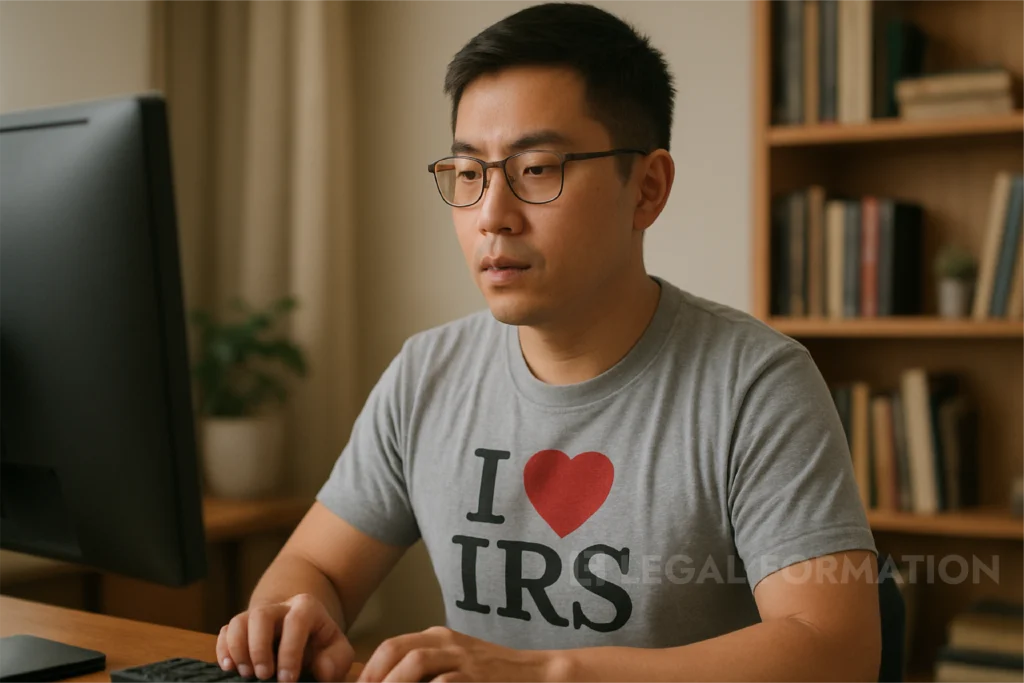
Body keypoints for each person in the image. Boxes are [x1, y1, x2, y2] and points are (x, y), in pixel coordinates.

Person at [216, 3, 882, 682]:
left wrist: (548, 673)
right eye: (469, 173)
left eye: (536, 169)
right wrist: (290, 619)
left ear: (647, 189)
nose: (491, 217)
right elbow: (315, 566)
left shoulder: (755, 384)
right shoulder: (428, 373)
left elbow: (837, 648)